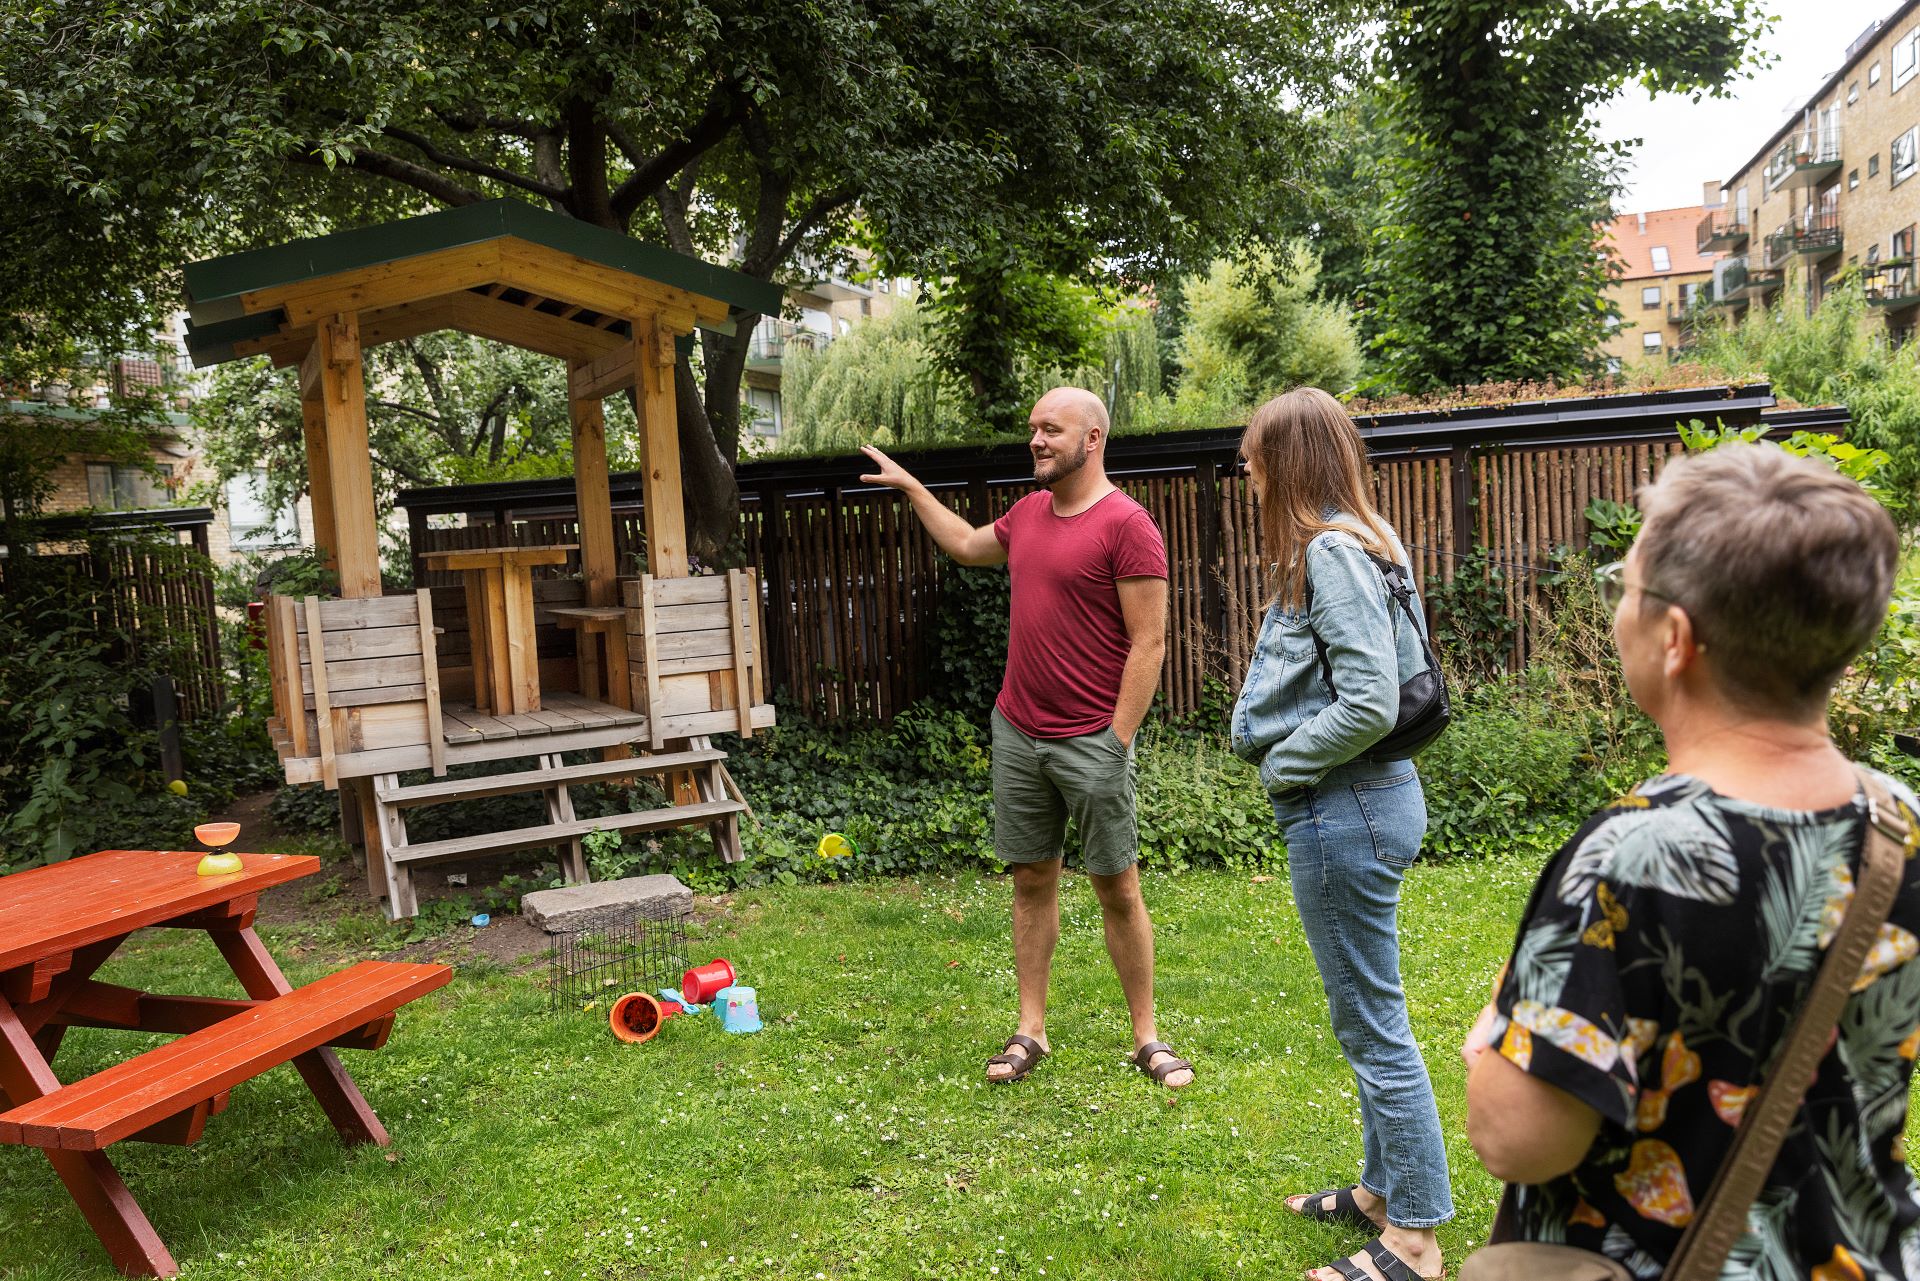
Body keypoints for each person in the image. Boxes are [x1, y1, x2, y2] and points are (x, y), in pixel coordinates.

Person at [1461, 443, 1920, 1276]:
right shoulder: (1901, 824)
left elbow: (1518, 1140)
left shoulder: (1631, 855)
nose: (1618, 608)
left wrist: (1494, 1031)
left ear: (1674, 638)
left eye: (1625, 586)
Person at [858, 387, 1193, 1090]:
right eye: (1033, 427)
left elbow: (1151, 641)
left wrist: (1117, 739)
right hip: (1018, 730)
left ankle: (1147, 1037)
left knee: (1117, 886)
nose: (1036, 439)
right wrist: (914, 487)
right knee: (1032, 880)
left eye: (1051, 429)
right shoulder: (1029, 514)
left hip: (1093, 738)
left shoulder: (1128, 525)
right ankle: (1031, 1029)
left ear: (1092, 438)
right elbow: (964, 544)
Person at [1230, 387, 1453, 1281]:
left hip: (1344, 804)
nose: (1246, 470)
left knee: (1372, 1021)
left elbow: (1368, 701)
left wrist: (1283, 766)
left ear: (1285, 461)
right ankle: (1379, 1190)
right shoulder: (1370, 537)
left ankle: (1416, 1238)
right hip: (1365, 799)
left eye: (1254, 455)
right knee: (1365, 1009)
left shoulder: (1331, 551)